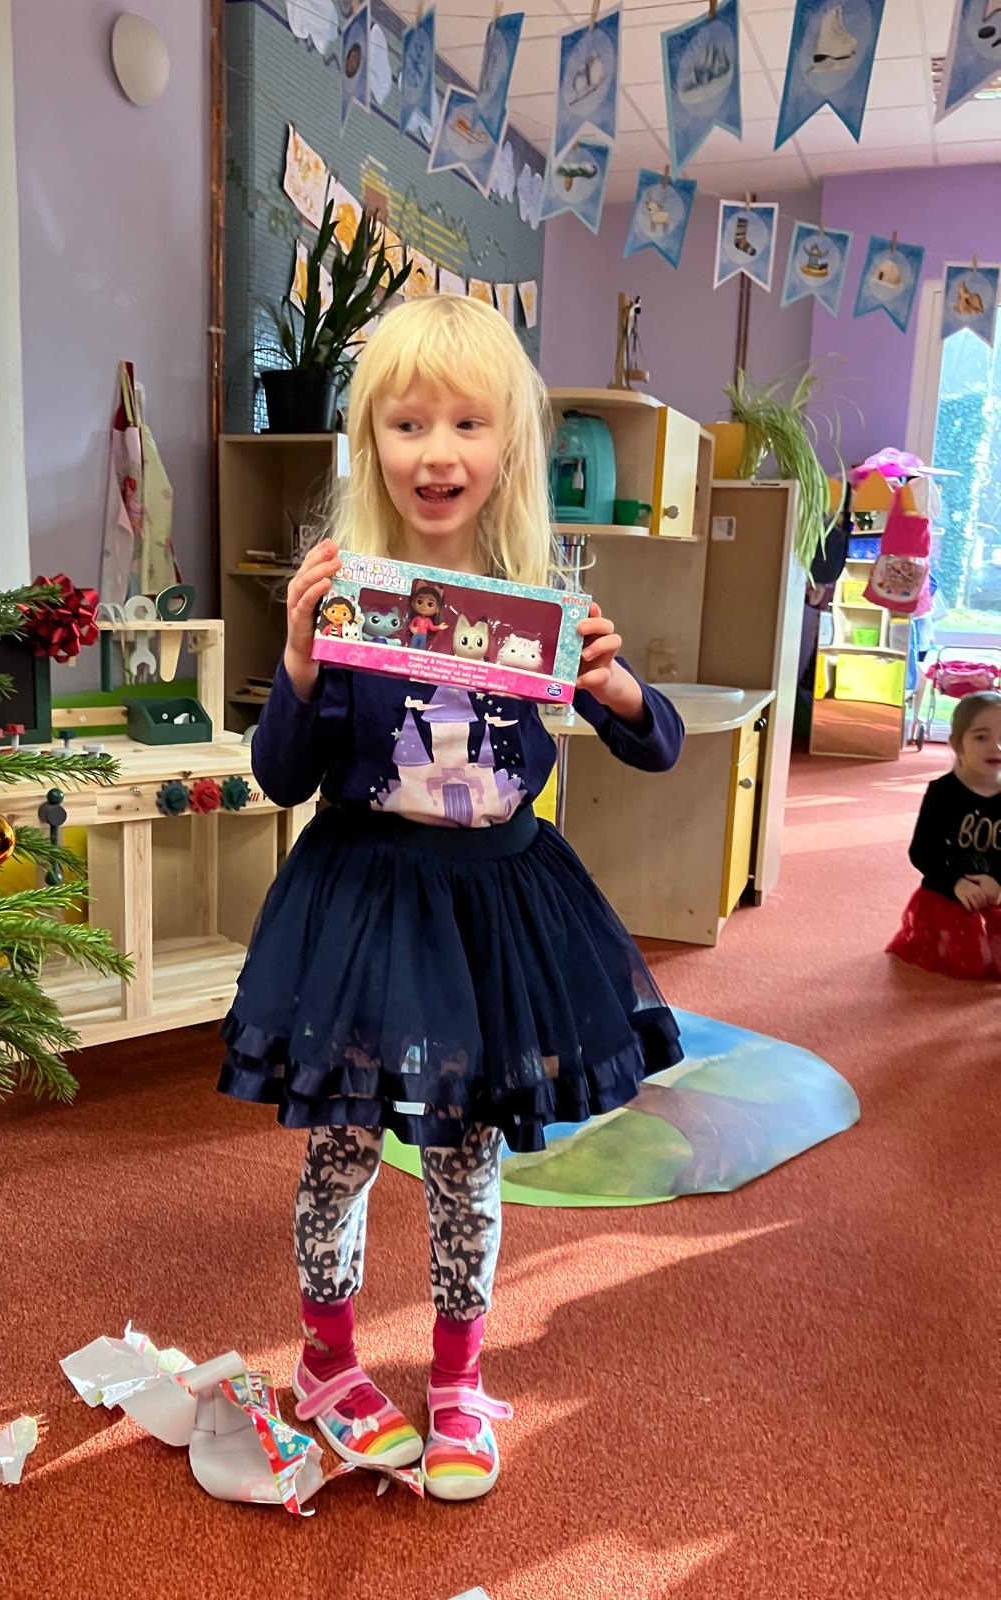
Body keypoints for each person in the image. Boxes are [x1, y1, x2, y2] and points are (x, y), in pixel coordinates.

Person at [218, 296, 685, 1501]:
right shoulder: (348, 594)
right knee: (342, 1146)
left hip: (493, 914)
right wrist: (301, 661)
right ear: (370, 439)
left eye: (469, 423)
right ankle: (326, 1361)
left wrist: (614, 685)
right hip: (364, 907)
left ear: (509, 442)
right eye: (409, 423)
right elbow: (282, 775)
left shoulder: (539, 602)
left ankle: (461, 1375)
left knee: (469, 1154)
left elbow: (657, 743)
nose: (438, 451)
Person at [888, 691, 1001, 978]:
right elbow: (922, 852)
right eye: (981, 737)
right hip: (949, 892)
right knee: (965, 954)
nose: (996, 746)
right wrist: (956, 884)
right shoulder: (942, 793)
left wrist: (998, 884)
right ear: (957, 744)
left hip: (997, 891)